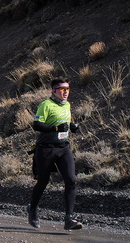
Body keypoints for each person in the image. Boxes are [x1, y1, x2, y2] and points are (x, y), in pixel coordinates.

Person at [27, 76, 83, 230]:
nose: (65, 92)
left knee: (71, 180)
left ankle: (69, 219)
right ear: (54, 91)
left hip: (63, 148)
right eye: (62, 89)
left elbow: (66, 122)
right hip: (45, 149)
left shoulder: (67, 105)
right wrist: (56, 129)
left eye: (67, 89)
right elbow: (36, 125)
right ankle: (32, 209)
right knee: (43, 181)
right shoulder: (46, 105)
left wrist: (72, 127)